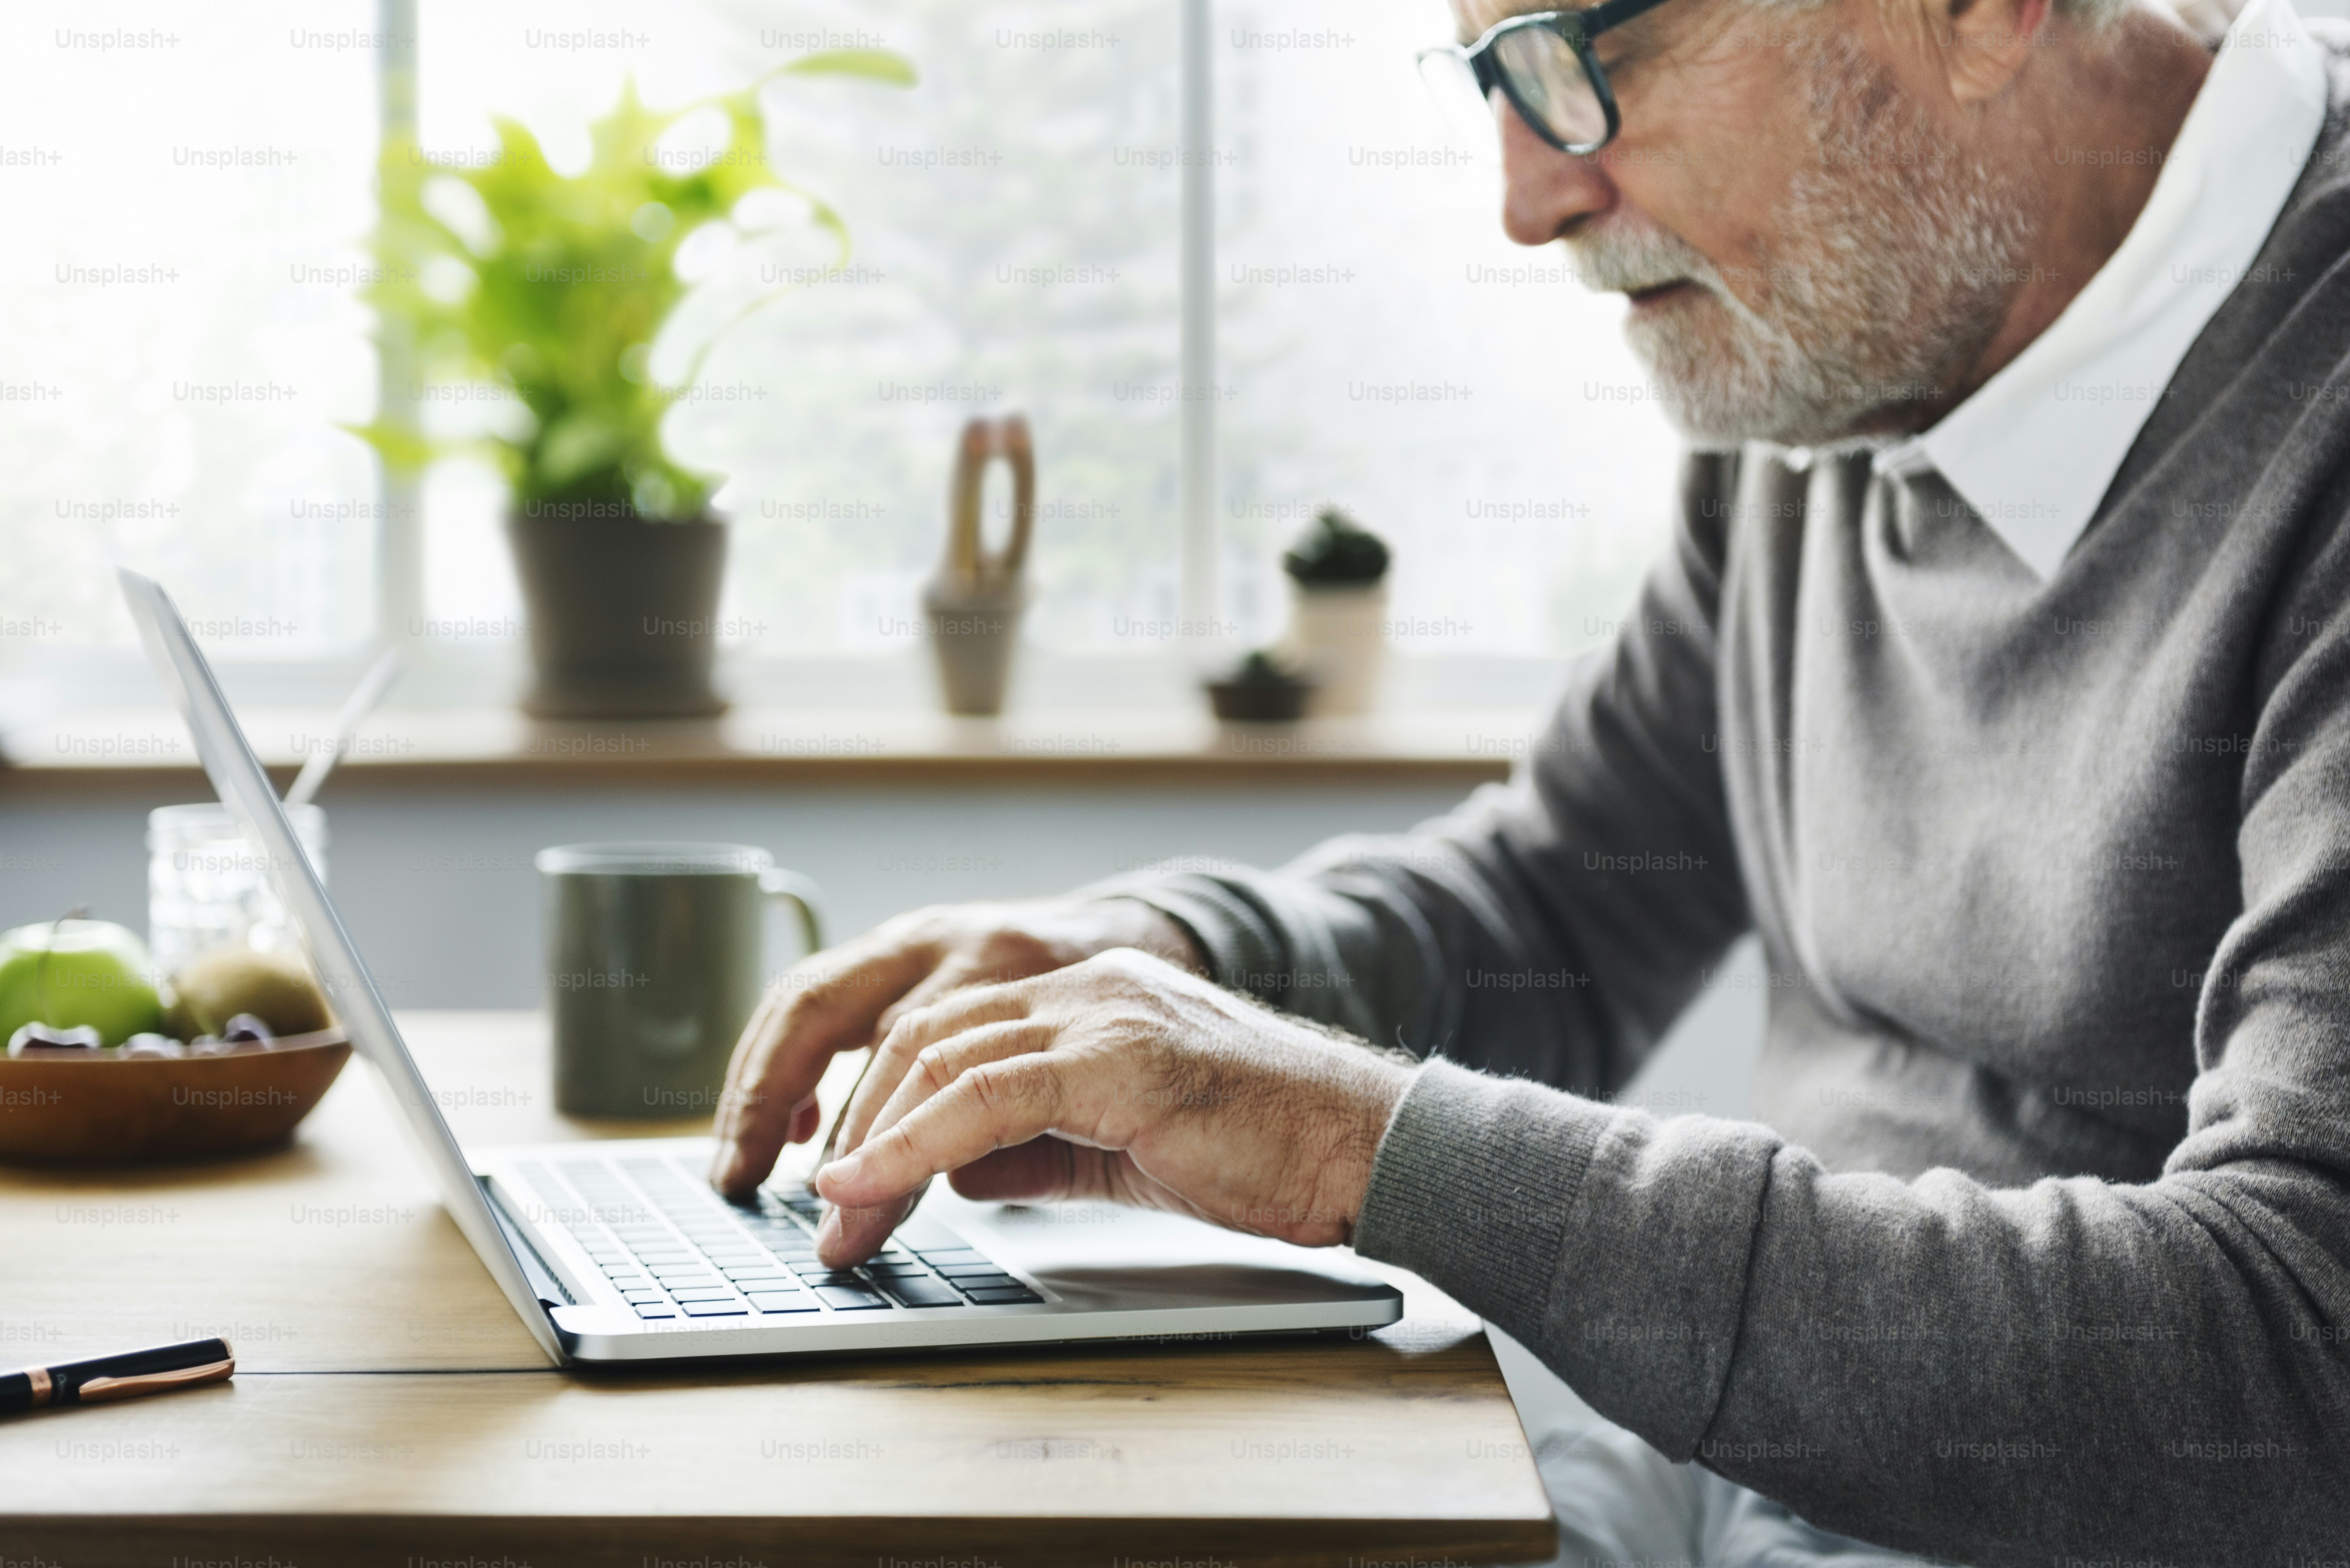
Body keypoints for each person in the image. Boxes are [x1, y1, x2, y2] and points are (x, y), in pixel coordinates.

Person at [710, 0, 2350, 1557]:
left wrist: (1365, 1147)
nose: (1526, 197)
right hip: (1729, 1480)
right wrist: (1166, 965)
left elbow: (2300, 1355)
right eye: (1491, 66)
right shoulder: (1855, 353)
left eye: (1597, 45)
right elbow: (1562, 897)